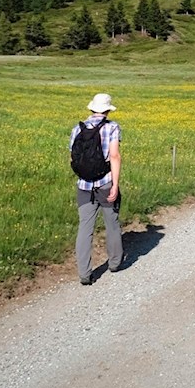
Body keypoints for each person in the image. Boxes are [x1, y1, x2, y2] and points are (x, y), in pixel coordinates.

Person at [70, 92, 123, 285]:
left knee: (85, 228)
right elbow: (114, 156)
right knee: (112, 223)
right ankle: (115, 263)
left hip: (84, 185)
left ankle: (84, 274)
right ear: (108, 110)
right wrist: (115, 184)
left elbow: (72, 158)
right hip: (105, 183)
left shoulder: (77, 128)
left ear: (92, 108)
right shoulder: (112, 127)